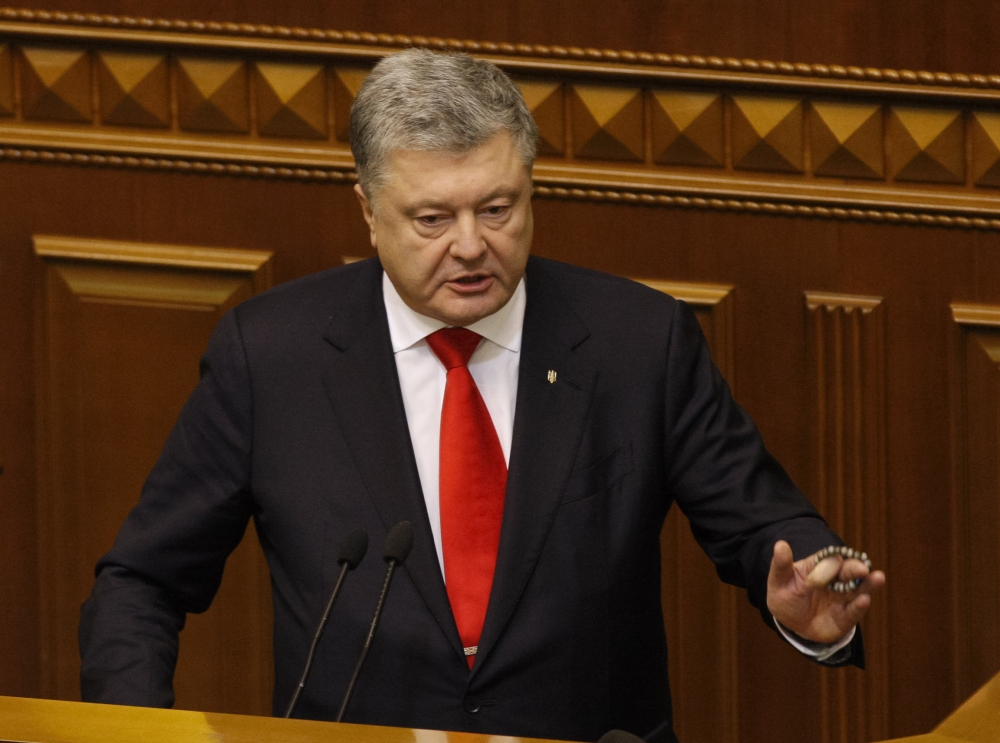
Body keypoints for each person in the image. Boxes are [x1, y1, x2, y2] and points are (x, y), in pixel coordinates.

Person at [79, 49, 885, 743]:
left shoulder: (641, 341)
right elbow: (142, 582)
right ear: (367, 210)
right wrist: (139, 728)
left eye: (498, 208)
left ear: (532, 188)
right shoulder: (271, 356)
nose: (472, 246)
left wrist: (804, 597)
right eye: (432, 218)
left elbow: (765, 525)